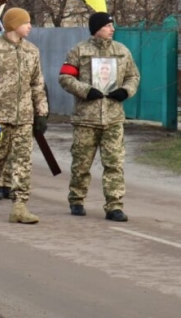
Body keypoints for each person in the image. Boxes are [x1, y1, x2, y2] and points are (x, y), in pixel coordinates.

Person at [58, 11, 141, 221]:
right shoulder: (79, 50)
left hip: (113, 118)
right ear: (97, 28)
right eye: (108, 26)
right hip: (86, 118)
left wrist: (125, 91)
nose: (112, 29)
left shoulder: (122, 51)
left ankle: (114, 205)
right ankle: (76, 199)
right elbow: (65, 77)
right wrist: (85, 90)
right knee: (81, 162)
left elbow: (133, 76)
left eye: (112, 26)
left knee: (114, 163)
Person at [0, 8, 48, 223]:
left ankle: (19, 206)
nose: (30, 26)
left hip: (24, 117)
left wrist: (41, 112)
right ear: (14, 24)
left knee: (23, 162)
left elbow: (37, 84)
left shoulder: (32, 51)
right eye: (26, 22)